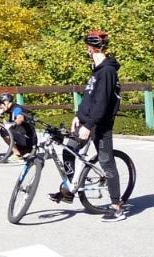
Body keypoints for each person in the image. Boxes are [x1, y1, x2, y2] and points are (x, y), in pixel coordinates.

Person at [49, 29, 128, 221]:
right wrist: (78, 115)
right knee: (69, 150)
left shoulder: (107, 71)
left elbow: (102, 102)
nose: (87, 51)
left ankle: (117, 207)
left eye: (87, 47)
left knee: (107, 163)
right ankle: (69, 189)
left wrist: (89, 125)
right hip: (86, 121)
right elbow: (89, 97)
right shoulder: (96, 71)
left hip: (100, 125)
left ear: (90, 49)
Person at [0, 92, 35, 158]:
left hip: (28, 139)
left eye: (0, 104)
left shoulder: (16, 108)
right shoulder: (10, 109)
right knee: (5, 128)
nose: (0, 106)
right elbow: (6, 124)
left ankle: (17, 154)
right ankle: (22, 150)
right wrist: (2, 116)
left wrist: (12, 124)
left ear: (6, 102)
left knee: (3, 130)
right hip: (26, 138)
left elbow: (20, 118)